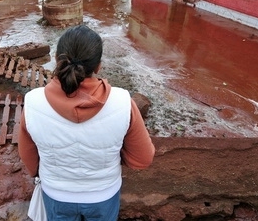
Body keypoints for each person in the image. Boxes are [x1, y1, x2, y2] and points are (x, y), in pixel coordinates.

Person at [18, 25, 155, 220]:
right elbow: (143, 159)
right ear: (98, 66)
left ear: (57, 60)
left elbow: (29, 158)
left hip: (56, 194)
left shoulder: (32, 102)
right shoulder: (123, 101)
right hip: (104, 194)